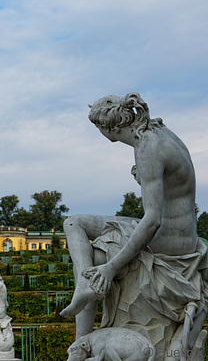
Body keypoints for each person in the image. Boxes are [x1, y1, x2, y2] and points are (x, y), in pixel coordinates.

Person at [61, 93, 208, 351]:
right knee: (80, 232)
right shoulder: (158, 130)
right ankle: (86, 288)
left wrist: (111, 267)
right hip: (183, 236)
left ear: (110, 128)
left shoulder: (148, 147)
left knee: (75, 225)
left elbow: (151, 220)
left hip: (166, 242)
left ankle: (81, 340)